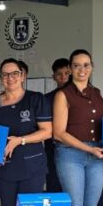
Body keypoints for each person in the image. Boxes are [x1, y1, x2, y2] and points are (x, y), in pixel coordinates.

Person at [0, 58, 52, 206]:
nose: (10, 78)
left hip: (32, 168)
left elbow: (47, 132)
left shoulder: (36, 99)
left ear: (22, 76)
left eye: (14, 73)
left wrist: (20, 140)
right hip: (6, 170)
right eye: (5, 75)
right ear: (0, 79)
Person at [53, 50, 103, 206]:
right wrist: (89, 149)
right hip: (71, 154)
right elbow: (58, 133)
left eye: (86, 65)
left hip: (97, 154)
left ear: (92, 67)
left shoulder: (97, 93)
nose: (82, 69)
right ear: (70, 69)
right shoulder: (63, 94)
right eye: (77, 66)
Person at [45, 58, 71, 194]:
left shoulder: (80, 96)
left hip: (75, 149)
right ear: (53, 77)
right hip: (53, 149)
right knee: (54, 189)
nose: (64, 77)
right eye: (59, 74)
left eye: (67, 73)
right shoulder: (47, 99)